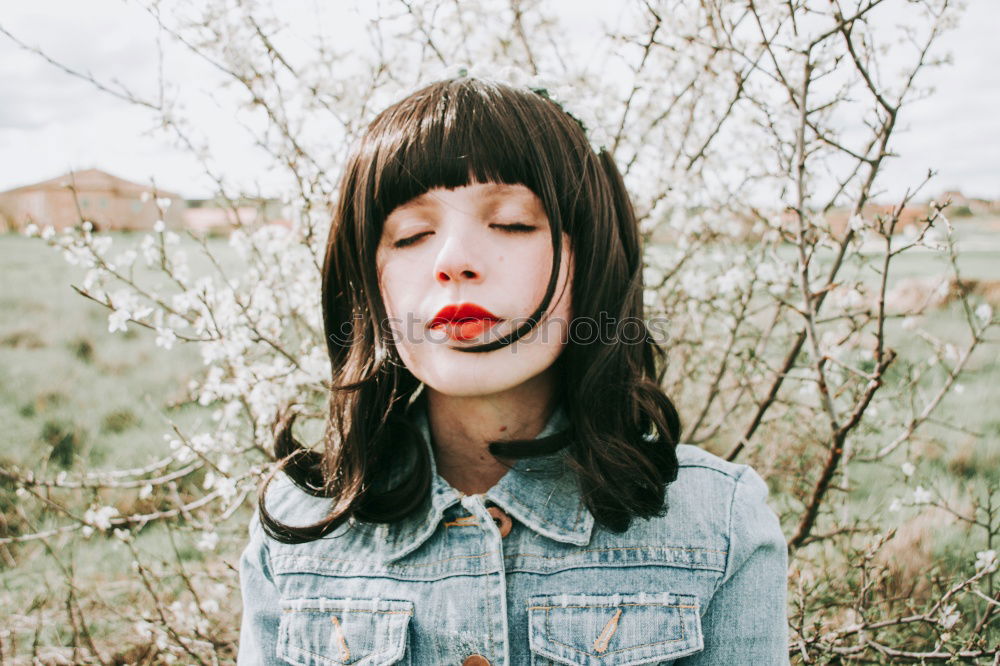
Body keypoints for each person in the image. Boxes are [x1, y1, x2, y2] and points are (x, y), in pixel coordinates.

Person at [237, 74, 790, 665]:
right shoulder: (299, 525)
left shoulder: (717, 523)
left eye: (512, 224)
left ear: (595, 257)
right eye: (412, 234)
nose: (453, 261)